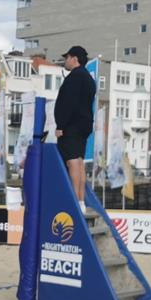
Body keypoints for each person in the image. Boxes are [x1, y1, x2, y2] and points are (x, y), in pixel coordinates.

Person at [54, 45, 96, 202]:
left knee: (72, 161)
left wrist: (60, 125)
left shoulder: (74, 78)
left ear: (74, 59)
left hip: (71, 126)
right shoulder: (89, 79)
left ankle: (75, 200)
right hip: (84, 126)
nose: (65, 60)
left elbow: (68, 104)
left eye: (67, 57)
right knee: (79, 162)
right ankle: (81, 200)